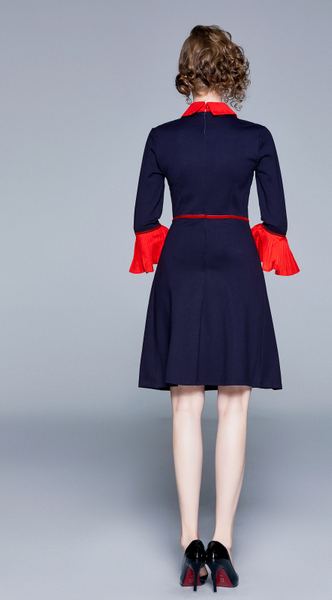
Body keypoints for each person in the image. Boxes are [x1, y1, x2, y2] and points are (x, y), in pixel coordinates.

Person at [129, 25, 299, 591]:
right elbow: (276, 221)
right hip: (236, 267)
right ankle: (223, 543)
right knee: (234, 407)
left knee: (184, 407)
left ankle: (190, 545)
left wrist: (182, 242)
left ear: (186, 72)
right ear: (232, 71)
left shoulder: (160, 138)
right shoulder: (257, 137)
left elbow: (143, 220)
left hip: (180, 264)